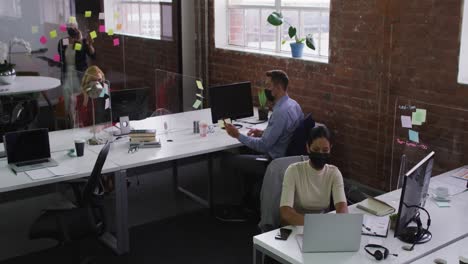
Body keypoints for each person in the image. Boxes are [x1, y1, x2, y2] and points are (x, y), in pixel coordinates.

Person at [221, 70, 303, 219]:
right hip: (287, 156)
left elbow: (263, 146)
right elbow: (282, 134)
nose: (266, 90)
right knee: (245, 149)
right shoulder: (294, 105)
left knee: (227, 159)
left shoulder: (280, 113)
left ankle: (244, 207)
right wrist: (262, 132)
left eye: (268, 86)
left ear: (277, 87)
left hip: (273, 161)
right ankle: (251, 196)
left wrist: (237, 135)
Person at [279, 126, 348, 226]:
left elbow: (342, 207)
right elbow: (286, 212)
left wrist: (341, 222)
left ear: (330, 148)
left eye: (325, 150)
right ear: (308, 147)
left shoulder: (334, 172)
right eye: (316, 149)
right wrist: (314, 225)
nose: (320, 154)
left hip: (322, 226)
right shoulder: (293, 171)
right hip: (296, 225)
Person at [57, 22, 96, 127]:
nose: (72, 29)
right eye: (70, 27)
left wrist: (89, 44)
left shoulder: (83, 41)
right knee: (68, 102)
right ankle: (71, 123)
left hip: (80, 75)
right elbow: (61, 58)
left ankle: (80, 123)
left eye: (74, 27)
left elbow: (93, 55)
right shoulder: (63, 41)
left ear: (77, 28)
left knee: (78, 100)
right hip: (67, 75)